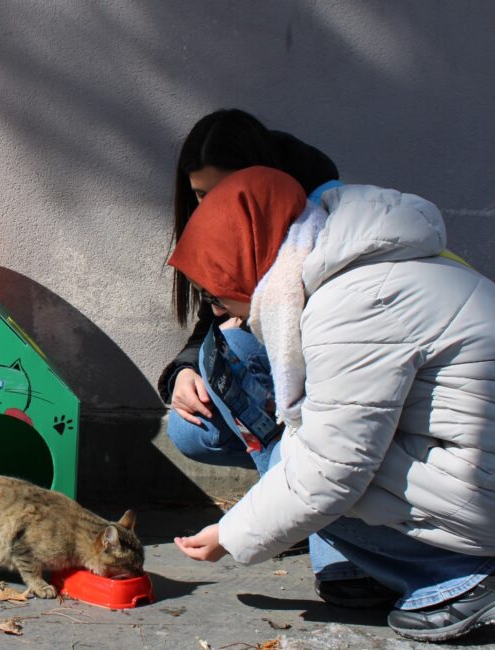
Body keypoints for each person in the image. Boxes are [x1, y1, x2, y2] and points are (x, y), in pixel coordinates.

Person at [169, 166, 495, 643]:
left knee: (309, 472)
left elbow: (332, 471)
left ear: (249, 265)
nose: (216, 310)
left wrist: (232, 534)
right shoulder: (350, 263)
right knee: (243, 371)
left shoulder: (354, 303)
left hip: (480, 487)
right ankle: (372, 569)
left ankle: (462, 580)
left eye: (217, 294)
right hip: (473, 468)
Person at [158, 109, 382, 606]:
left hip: (340, 392)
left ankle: (335, 551)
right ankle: (295, 518)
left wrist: (242, 529)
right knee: (187, 428)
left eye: (225, 193)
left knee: (249, 363)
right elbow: (217, 313)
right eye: (200, 197)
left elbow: (330, 431)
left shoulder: (313, 218)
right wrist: (186, 368)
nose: (213, 208)